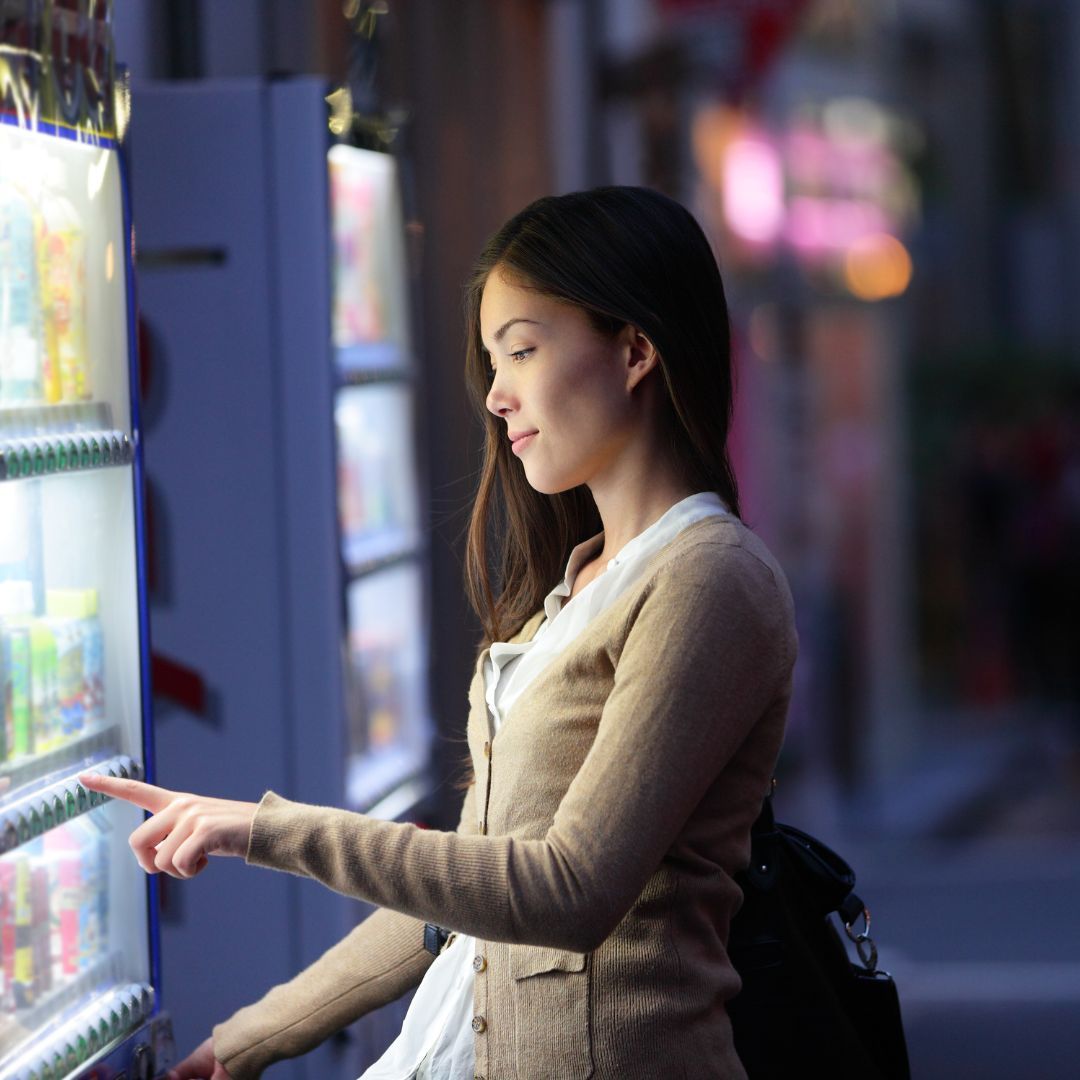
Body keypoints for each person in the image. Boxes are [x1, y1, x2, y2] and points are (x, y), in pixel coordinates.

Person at [82, 185, 798, 1080]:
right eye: (493, 362)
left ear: (635, 351)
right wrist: (251, 1041)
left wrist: (265, 830)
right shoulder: (573, 589)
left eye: (523, 351)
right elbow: (454, 907)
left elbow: (569, 891)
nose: (497, 397)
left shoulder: (709, 578)